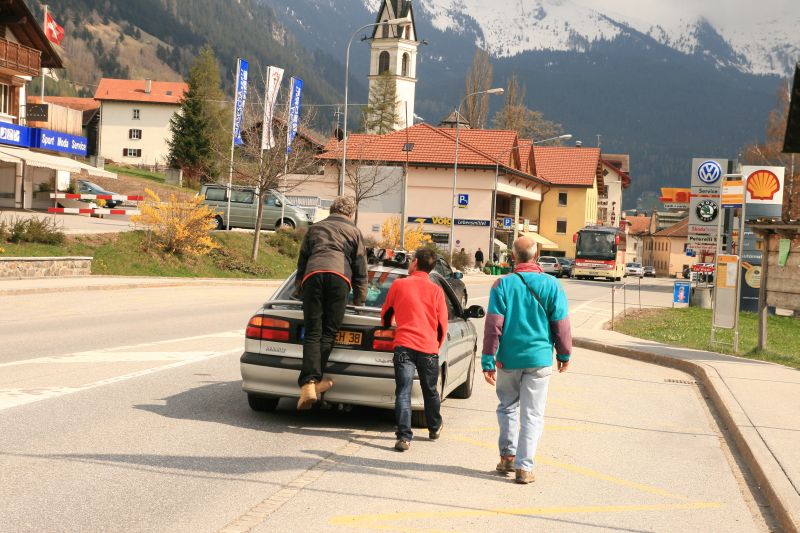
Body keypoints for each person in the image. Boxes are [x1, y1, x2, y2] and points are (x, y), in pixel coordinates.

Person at [482, 236, 572, 484]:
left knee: (508, 406)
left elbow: (493, 326)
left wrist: (488, 360)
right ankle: (524, 467)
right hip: (539, 358)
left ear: (513, 257)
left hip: (508, 358)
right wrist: (564, 354)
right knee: (533, 413)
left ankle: (508, 457)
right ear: (536, 256)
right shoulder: (552, 285)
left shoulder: (502, 285)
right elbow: (561, 324)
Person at [295, 196, 368, 410]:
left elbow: (303, 259)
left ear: (331, 209)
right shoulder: (354, 232)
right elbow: (360, 267)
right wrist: (359, 299)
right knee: (328, 332)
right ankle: (314, 383)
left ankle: (309, 382)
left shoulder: (315, 229)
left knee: (312, 331)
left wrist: (300, 288)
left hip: (313, 274)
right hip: (339, 278)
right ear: (351, 214)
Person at [381, 248, 448, 452]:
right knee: (430, 390)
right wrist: (434, 345)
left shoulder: (399, 284)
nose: (409, 263)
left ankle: (404, 437)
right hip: (428, 348)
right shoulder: (436, 290)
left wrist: (387, 326)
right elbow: (442, 324)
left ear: (416, 262)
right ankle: (434, 427)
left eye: (410, 260)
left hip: (404, 346)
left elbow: (386, 314)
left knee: (403, 391)